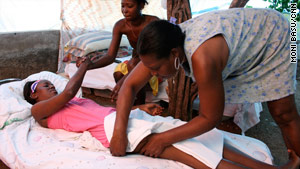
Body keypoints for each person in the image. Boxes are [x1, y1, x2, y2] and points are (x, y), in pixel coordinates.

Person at [23, 57, 300, 169]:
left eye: (51, 84)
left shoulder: (77, 104)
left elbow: (107, 110)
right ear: (35, 95)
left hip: (127, 120)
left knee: (211, 139)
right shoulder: (40, 112)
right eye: (47, 87)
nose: (52, 88)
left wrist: (139, 107)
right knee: (194, 153)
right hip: (115, 132)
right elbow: (70, 92)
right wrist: (84, 66)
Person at [109, 7, 300, 159]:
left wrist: (162, 139)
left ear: (175, 54)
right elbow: (130, 86)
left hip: (279, 32)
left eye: (156, 68)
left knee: (284, 113)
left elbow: (210, 118)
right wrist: (119, 132)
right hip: (252, 34)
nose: (152, 74)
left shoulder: (202, 58)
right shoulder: (163, 43)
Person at [77, 0, 160, 105]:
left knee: (132, 65)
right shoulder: (120, 26)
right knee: (118, 73)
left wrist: (126, 80)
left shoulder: (152, 22)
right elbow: (110, 56)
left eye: (130, 6)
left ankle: (140, 106)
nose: (125, 10)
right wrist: (89, 66)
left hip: (152, 61)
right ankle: (131, 105)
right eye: (122, 6)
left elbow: (154, 54)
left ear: (141, 5)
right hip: (135, 60)